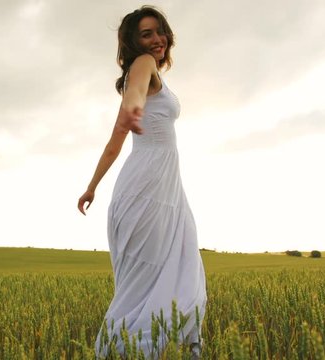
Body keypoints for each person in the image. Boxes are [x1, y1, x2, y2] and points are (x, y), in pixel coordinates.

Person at [77, 6, 207, 359]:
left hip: (163, 189)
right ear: (134, 44)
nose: (156, 40)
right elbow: (135, 91)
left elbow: (113, 143)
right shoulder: (143, 65)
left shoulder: (150, 73)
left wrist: (92, 187)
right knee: (146, 282)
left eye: (158, 31)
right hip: (147, 190)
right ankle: (127, 351)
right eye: (146, 34)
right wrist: (134, 105)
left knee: (178, 266)